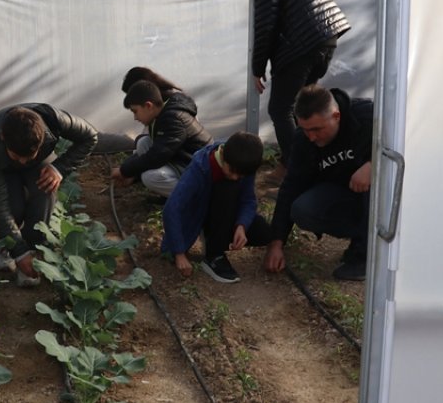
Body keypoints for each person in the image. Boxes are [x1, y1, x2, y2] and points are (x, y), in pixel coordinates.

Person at [227, 0, 351, 182]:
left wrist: (257, 68)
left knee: (280, 108)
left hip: (302, 46)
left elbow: (266, 26)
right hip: (324, 41)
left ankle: (297, 174)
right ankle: (294, 165)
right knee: (301, 108)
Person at [0, 104, 99, 286]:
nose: (22, 162)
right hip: (3, 166)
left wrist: (59, 168)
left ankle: (34, 247)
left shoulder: (54, 119)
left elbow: (90, 136)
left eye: (27, 157)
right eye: (17, 156)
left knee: (45, 188)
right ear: (2, 137)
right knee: (13, 206)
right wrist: (19, 252)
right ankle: (11, 248)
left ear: (42, 138)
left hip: (38, 161)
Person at [263, 85, 373, 281]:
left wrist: (375, 165)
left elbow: (409, 138)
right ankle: (362, 236)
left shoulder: (367, 117)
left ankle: (366, 256)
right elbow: (290, 186)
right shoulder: (303, 141)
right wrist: (276, 242)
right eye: (305, 129)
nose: (311, 137)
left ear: (336, 116)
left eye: (316, 129)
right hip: (343, 193)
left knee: (376, 186)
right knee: (303, 210)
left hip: (377, 194)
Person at [161, 132, 272, 283]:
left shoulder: (243, 164)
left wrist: (241, 226)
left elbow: (248, 200)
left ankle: (217, 237)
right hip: (197, 215)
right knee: (228, 188)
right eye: (232, 171)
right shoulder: (200, 167)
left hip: (224, 213)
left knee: (264, 233)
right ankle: (214, 254)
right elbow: (171, 208)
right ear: (223, 155)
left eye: (240, 176)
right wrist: (179, 253)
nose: (235, 177)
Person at [111, 80, 212, 197]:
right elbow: (157, 150)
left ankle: (193, 198)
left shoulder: (173, 120)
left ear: (148, 106)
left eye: (135, 111)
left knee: (151, 177)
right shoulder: (164, 114)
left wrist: (124, 171)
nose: (135, 118)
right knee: (144, 143)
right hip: (182, 158)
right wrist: (133, 175)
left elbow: (157, 155)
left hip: (199, 168)